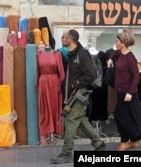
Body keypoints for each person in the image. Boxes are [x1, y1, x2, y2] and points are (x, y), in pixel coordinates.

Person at [50, 29, 107, 164]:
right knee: (80, 120)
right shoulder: (72, 54)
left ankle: (66, 153)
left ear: (70, 39)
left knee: (70, 121)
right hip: (73, 95)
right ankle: (99, 144)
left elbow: (91, 74)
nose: (62, 39)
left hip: (79, 94)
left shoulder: (82, 54)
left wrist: (76, 84)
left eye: (64, 37)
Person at [107, 28, 141, 151]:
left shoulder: (130, 58)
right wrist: (110, 58)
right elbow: (115, 53)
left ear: (124, 43)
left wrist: (130, 93)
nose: (115, 43)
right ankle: (135, 141)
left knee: (120, 116)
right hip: (121, 91)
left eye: (117, 41)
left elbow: (136, 75)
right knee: (131, 116)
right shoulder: (120, 53)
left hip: (128, 93)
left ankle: (125, 141)